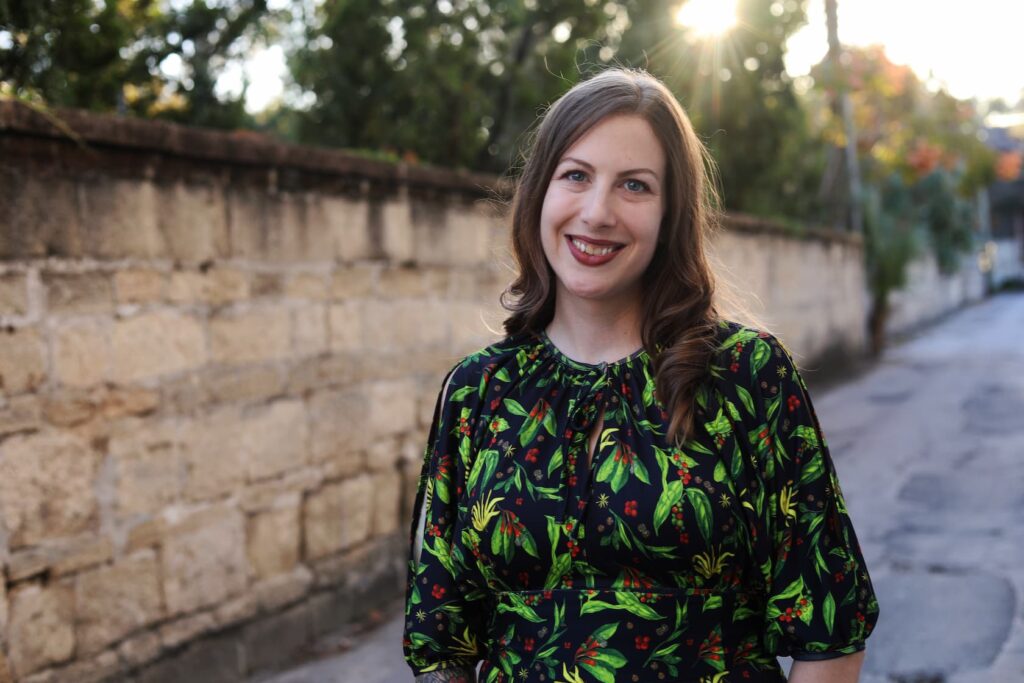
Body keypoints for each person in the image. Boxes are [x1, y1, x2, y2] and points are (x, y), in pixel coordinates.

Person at [402, 68, 878, 683]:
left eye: (635, 185)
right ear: (540, 191)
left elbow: (830, 633)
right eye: (576, 175)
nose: (597, 212)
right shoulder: (478, 391)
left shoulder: (747, 375)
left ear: (671, 214)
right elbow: (443, 642)